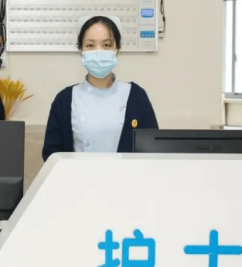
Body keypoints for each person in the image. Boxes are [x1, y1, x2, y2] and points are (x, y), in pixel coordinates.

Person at [42, 16, 158, 161]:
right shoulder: (64, 100)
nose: (98, 52)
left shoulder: (136, 96)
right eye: (90, 45)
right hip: (78, 176)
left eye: (107, 45)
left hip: (126, 176)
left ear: (117, 48)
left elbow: (153, 151)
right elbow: (52, 155)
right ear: (80, 50)